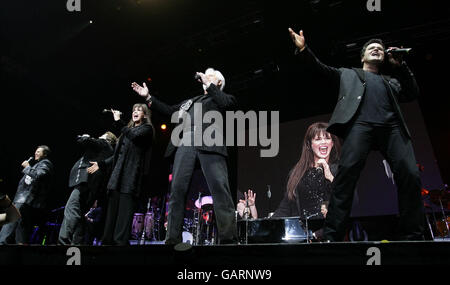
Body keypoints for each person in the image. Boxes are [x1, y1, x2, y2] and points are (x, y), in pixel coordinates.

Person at [289, 28, 425, 241]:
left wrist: (402, 66)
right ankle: (332, 235)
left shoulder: (391, 81)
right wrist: (304, 49)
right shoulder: (349, 73)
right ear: (362, 56)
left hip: (391, 128)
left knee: (410, 175)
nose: (377, 50)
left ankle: (414, 234)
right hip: (360, 125)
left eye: (380, 49)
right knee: (346, 177)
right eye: (372, 48)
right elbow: (321, 69)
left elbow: (412, 92)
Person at [131, 67, 238, 244]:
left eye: (210, 77)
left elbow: (228, 104)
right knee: (177, 191)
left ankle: (228, 238)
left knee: (220, 188)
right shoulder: (191, 101)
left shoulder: (220, 97)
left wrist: (210, 85)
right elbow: (170, 111)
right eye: (205, 76)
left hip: (210, 141)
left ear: (218, 83)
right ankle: (172, 239)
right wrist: (149, 98)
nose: (204, 78)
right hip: (186, 141)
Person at [88, 104, 154, 245]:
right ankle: (107, 241)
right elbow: (118, 155)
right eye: (133, 110)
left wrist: (118, 121)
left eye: (139, 110)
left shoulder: (146, 130)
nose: (135, 112)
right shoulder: (126, 131)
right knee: (111, 212)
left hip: (130, 176)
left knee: (124, 212)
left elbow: (134, 137)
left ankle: (120, 244)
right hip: (117, 176)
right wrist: (101, 164)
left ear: (145, 115)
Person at [273, 122, 341, 219]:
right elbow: (286, 207)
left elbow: (350, 200)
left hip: (329, 230)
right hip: (304, 231)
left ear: (332, 143)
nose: (323, 142)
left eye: (327, 138)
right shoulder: (297, 173)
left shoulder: (339, 170)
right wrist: (268, 225)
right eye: (318, 139)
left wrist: (330, 177)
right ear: (309, 144)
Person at [58, 132, 116, 245]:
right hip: (92, 186)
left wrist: (84, 137)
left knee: (71, 209)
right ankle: (77, 244)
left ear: (107, 139)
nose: (99, 137)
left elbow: (87, 141)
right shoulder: (107, 152)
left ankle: (63, 241)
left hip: (85, 183)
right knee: (79, 215)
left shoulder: (104, 144)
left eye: (102, 136)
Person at [0, 145, 54, 244]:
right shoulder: (38, 165)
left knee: (12, 219)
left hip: (25, 199)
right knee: (22, 224)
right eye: (36, 151)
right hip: (24, 200)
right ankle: (21, 246)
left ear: (45, 154)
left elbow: (39, 176)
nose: (35, 153)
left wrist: (28, 167)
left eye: (38, 152)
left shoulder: (46, 163)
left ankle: (2, 243)